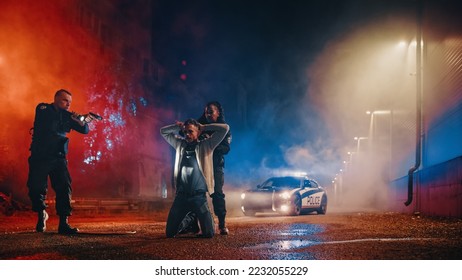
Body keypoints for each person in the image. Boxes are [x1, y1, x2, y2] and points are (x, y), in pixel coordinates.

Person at [27, 89, 96, 234]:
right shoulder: (43, 108)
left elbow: (85, 131)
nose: (68, 104)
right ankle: (41, 214)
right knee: (35, 188)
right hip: (40, 156)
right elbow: (52, 118)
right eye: (65, 101)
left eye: (70, 102)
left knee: (64, 188)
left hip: (58, 157)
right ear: (56, 98)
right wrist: (73, 116)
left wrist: (81, 122)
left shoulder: (69, 116)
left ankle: (64, 223)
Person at [161, 118, 229, 238]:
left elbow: (225, 128)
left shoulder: (207, 145)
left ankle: (194, 216)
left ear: (198, 132)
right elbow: (163, 131)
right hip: (181, 196)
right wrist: (178, 127)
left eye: (191, 131)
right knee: (170, 233)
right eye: (186, 132)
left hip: (199, 197)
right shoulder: (179, 144)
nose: (187, 134)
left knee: (209, 234)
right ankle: (189, 220)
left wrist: (204, 127)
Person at [197, 101, 232, 235]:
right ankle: (202, 225)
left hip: (216, 166)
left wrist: (210, 143)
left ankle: (222, 224)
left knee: (217, 194)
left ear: (218, 113)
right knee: (199, 194)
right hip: (200, 165)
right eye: (206, 111)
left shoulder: (224, 129)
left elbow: (226, 148)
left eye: (211, 111)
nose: (208, 114)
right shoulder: (199, 125)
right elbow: (187, 135)